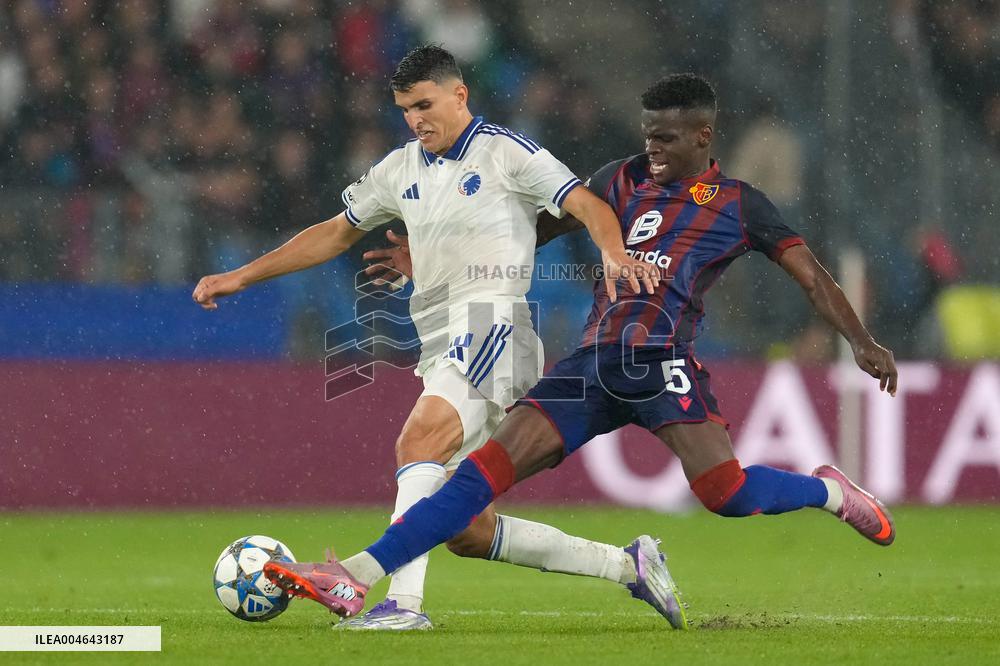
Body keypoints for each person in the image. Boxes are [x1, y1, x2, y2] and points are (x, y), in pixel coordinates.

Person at [263, 73, 900, 623]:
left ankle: (830, 493)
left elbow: (811, 275)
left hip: (662, 363)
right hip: (593, 364)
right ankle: (354, 574)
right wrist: (435, 256)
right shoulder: (618, 180)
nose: (651, 149)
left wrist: (864, 343)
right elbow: (528, 231)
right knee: (476, 481)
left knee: (723, 493)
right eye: (648, 134)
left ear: (704, 137)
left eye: (667, 138)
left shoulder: (737, 204)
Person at [193, 45, 680, 632]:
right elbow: (334, 232)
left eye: (425, 104)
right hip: (440, 336)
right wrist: (242, 274)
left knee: (418, 441)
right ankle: (629, 566)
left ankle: (396, 604)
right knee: (464, 529)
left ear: (459, 95)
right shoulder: (400, 169)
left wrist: (615, 254)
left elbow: (586, 204)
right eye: (404, 108)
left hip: (492, 323)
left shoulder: (508, 153)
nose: (416, 118)